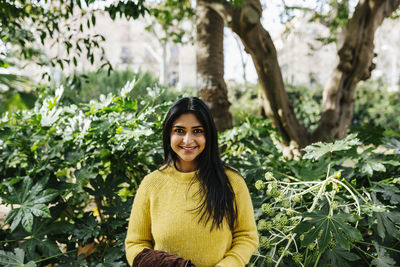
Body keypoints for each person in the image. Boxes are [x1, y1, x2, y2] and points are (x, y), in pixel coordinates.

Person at [125, 97, 258, 267]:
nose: (188, 140)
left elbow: (246, 236)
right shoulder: (151, 184)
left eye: (197, 131)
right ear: (168, 134)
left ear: (208, 135)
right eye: (179, 131)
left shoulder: (232, 181)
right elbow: (135, 244)